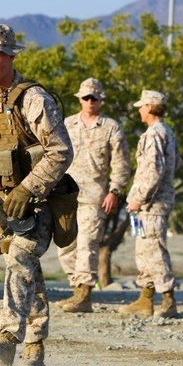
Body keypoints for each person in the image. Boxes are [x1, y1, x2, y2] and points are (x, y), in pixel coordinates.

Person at [0, 24, 73, 366]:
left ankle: (6, 342)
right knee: (27, 272)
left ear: (10, 56)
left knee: (20, 259)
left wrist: (29, 188)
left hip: (40, 202)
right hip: (3, 205)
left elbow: (60, 151)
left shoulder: (33, 99)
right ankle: (35, 344)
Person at [55, 78, 132, 313]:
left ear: (101, 100)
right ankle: (77, 286)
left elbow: (121, 163)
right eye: (86, 97)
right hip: (67, 195)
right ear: (79, 99)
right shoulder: (67, 124)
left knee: (88, 244)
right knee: (65, 246)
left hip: (95, 197)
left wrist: (114, 190)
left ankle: (84, 294)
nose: (90, 101)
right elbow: (55, 156)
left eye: (94, 98)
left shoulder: (111, 128)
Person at [121, 89, 182, 319]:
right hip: (152, 203)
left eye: (141, 106)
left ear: (149, 107)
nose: (139, 110)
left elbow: (153, 171)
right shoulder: (167, 132)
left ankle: (168, 300)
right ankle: (145, 299)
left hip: (151, 204)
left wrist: (140, 197)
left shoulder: (154, 134)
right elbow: (177, 163)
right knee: (144, 250)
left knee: (155, 251)